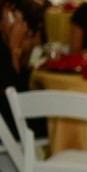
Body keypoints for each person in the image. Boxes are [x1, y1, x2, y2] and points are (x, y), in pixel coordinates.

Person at [1, 0, 45, 140]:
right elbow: (12, 93)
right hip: (9, 126)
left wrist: (22, 53)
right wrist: (15, 47)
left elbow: (21, 79)